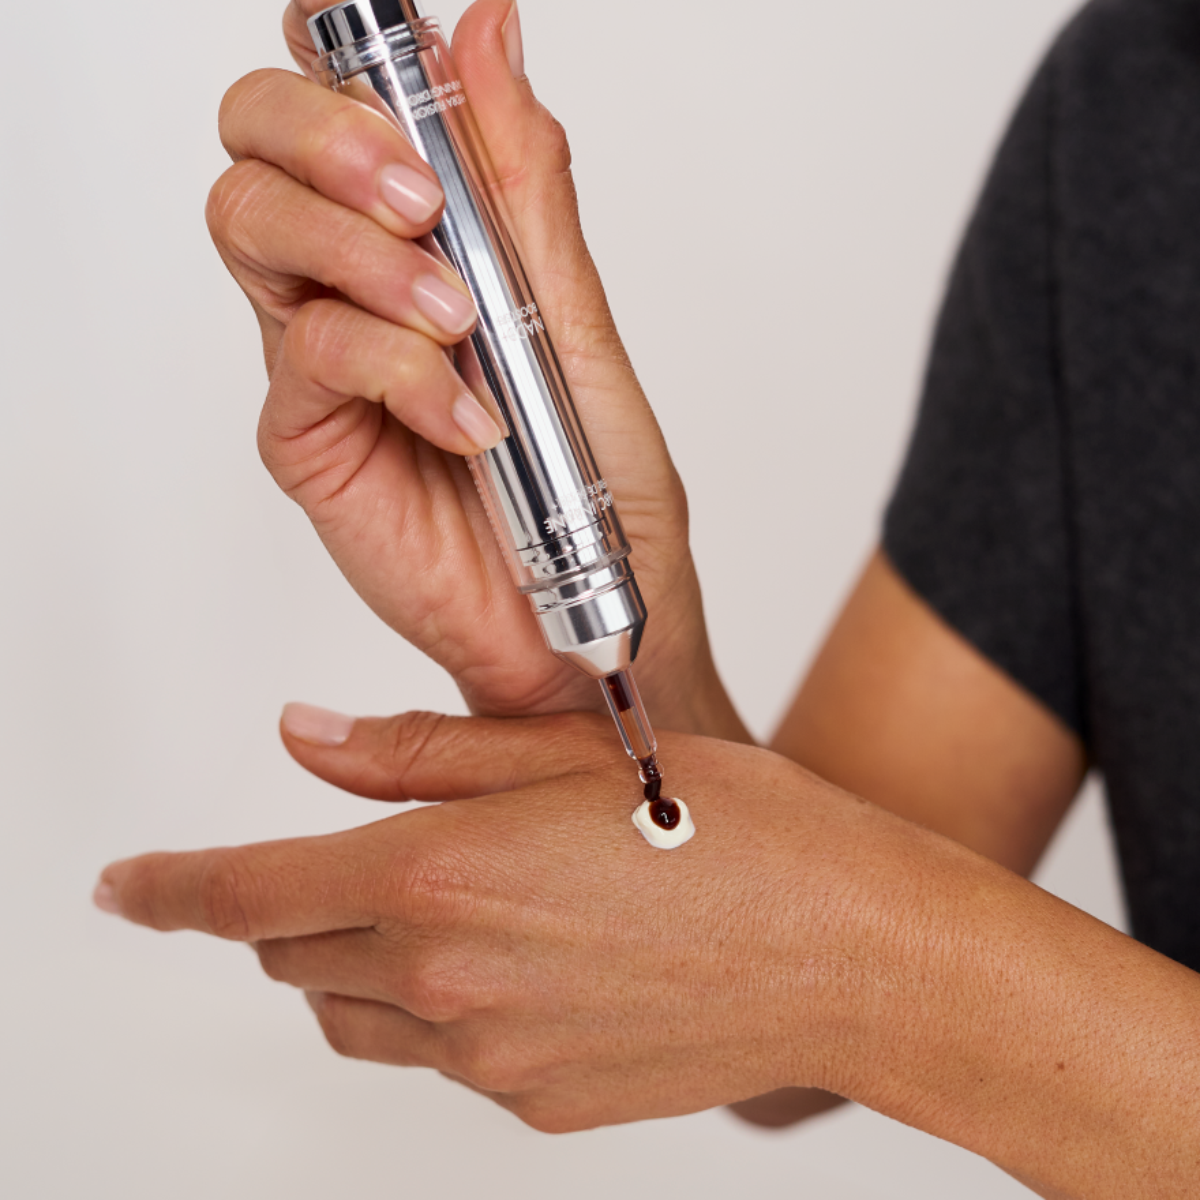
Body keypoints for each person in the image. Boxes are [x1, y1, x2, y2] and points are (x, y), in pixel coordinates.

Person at [93, 0, 1200, 1194]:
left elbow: (848, 949)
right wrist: (598, 675)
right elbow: (782, 1038)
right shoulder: (1138, 102)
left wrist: (868, 980)